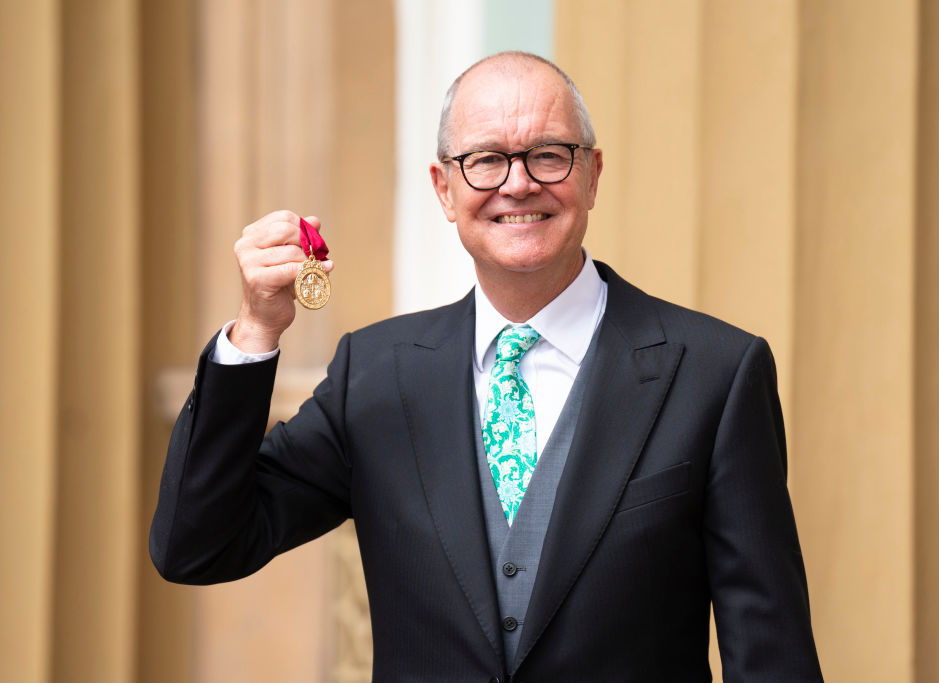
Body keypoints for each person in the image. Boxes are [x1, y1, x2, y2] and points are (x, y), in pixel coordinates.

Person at [151, 51, 823, 682]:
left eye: (548, 155)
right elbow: (199, 544)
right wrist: (255, 330)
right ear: (444, 189)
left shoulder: (716, 372)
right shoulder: (375, 374)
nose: (518, 182)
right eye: (486, 160)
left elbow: (771, 651)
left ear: (591, 174)